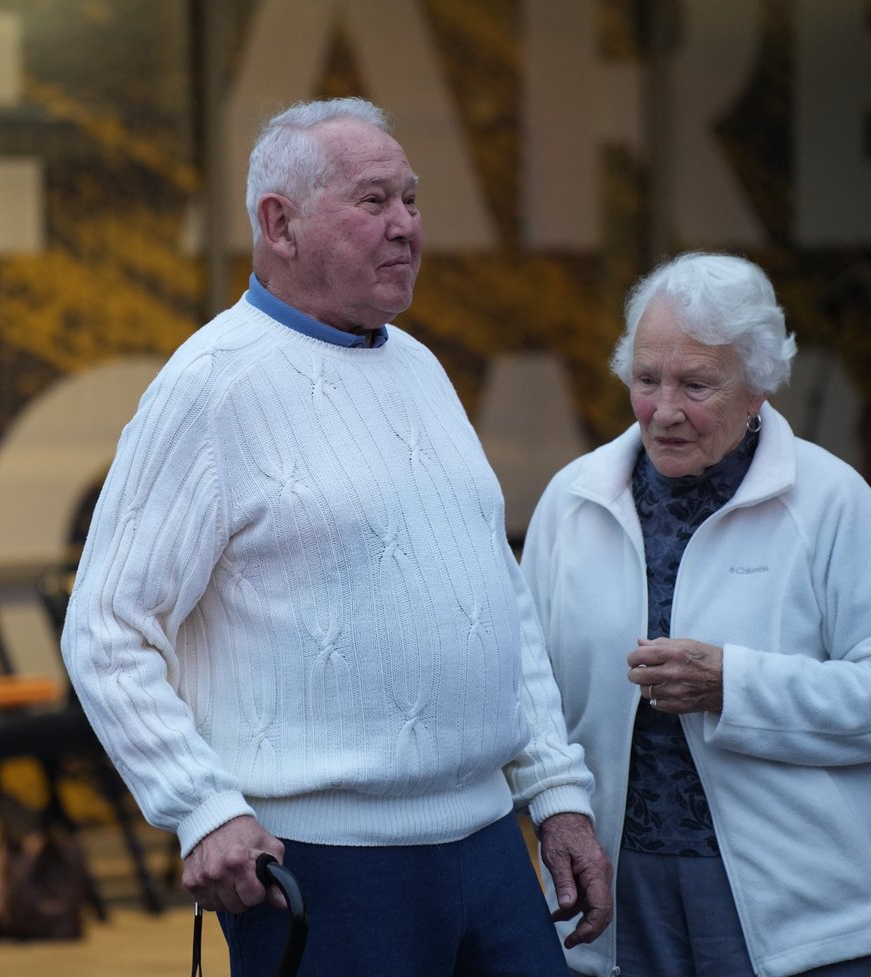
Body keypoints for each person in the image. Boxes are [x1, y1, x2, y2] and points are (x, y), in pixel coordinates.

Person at [61, 97, 610, 977]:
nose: (406, 228)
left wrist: (556, 794)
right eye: (373, 202)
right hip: (325, 867)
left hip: (490, 849)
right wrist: (201, 805)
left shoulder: (421, 365)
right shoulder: (209, 385)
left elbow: (496, 597)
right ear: (279, 223)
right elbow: (106, 626)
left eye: (412, 201)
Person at [520, 252, 871, 977]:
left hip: (800, 902)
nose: (665, 408)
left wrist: (735, 684)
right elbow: (524, 686)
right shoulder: (572, 500)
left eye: (696, 384)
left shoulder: (830, 501)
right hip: (617, 893)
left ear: (758, 390)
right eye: (646, 379)